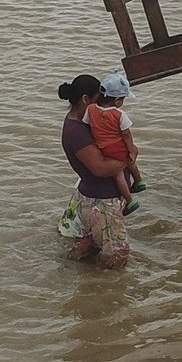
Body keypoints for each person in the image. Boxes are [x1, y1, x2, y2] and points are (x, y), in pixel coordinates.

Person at [56, 74, 131, 269]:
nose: (103, 105)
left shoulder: (86, 122)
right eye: (99, 100)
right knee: (117, 259)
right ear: (85, 100)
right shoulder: (77, 132)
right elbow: (100, 168)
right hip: (101, 201)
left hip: (93, 198)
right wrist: (129, 158)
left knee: (90, 251)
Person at [86, 71, 146, 214]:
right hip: (119, 147)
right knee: (128, 160)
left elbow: (87, 123)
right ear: (117, 100)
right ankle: (136, 186)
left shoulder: (91, 109)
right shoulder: (119, 115)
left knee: (117, 174)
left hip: (104, 148)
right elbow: (126, 134)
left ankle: (131, 197)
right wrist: (131, 150)